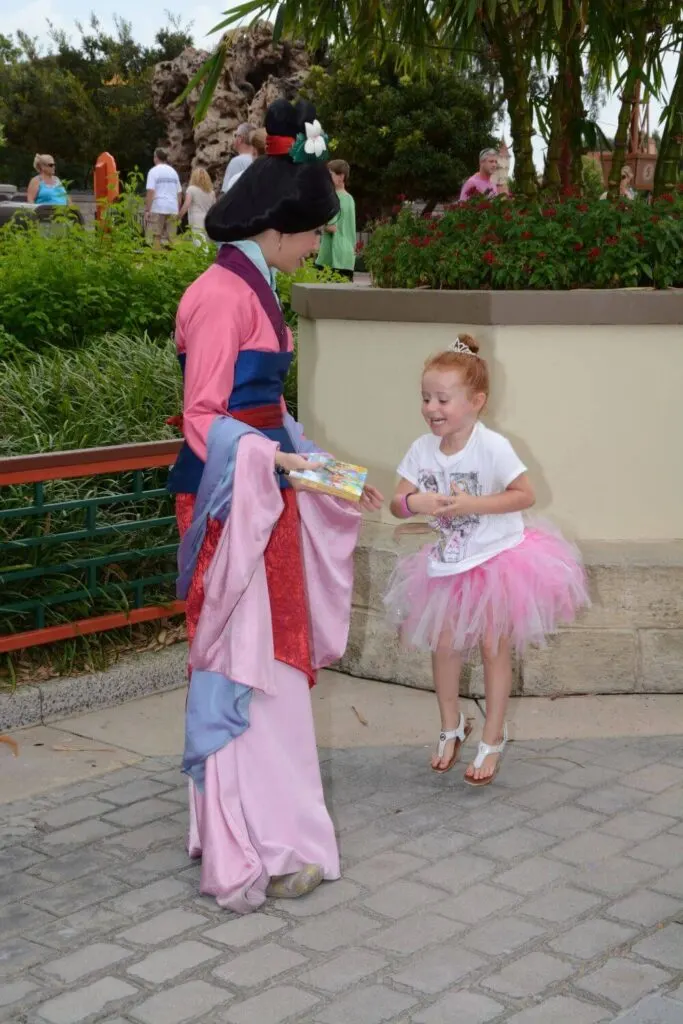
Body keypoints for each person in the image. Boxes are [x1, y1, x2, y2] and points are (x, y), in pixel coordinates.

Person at [166, 97, 383, 913]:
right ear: (279, 232)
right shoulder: (223, 297)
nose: (318, 249)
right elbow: (202, 418)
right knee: (246, 668)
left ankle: (274, 828)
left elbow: (265, 411)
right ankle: (250, 838)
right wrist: (282, 461)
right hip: (230, 504)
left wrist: (329, 470)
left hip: (259, 492)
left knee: (273, 665)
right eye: (312, 237)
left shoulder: (250, 286)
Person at [384, 335, 589, 786]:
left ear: (476, 401)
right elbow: (396, 501)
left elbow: (525, 494)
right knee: (444, 646)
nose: (431, 408)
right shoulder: (422, 450)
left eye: (443, 399)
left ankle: (493, 735)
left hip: (497, 562)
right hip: (448, 564)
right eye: (425, 398)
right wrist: (417, 501)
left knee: (494, 647)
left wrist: (470, 506)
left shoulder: (492, 446)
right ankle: (450, 724)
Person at [316, 159, 357, 281]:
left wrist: (317, 225)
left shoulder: (334, 198)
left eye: (330, 175)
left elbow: (331, 227)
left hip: (331, 257)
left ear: (341, 177)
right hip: (347, 256)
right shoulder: (349, 199)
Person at [144, 148, 182, 249]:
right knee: (172, 237)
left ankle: (156, 259)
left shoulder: (153, 171)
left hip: (158, 207)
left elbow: (151, 191)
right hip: (172, 207)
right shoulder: (173, 172)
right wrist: (177, 208)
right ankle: (179, 258)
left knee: (157, 235)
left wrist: (147, 210)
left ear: (156, 158)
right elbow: (179, 192)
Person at [179, 167, 215, 245]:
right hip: (208, 219)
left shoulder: (191, 189)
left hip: (196, 219)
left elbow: (187, 204)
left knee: (199, 243)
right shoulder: (211, 192)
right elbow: (214, 208)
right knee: (208, 243)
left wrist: (179, 216)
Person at [221, 122, 256, 192]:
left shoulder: (236, 162)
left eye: (235, 135)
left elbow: (227, 193)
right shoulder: (260, 160)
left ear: (240, 139)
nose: (234, 138)